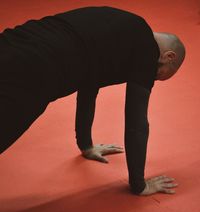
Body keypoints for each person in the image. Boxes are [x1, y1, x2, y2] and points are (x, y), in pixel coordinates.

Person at [0, 6, 185, 196]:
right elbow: (136, 122)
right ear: (169, 56)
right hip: (31, 70)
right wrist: (140, 185)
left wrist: (86, 145)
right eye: (159, 76)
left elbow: (88, 84)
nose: (151, 79)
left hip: (12, 41)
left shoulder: (123, 26)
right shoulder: (147, 50)